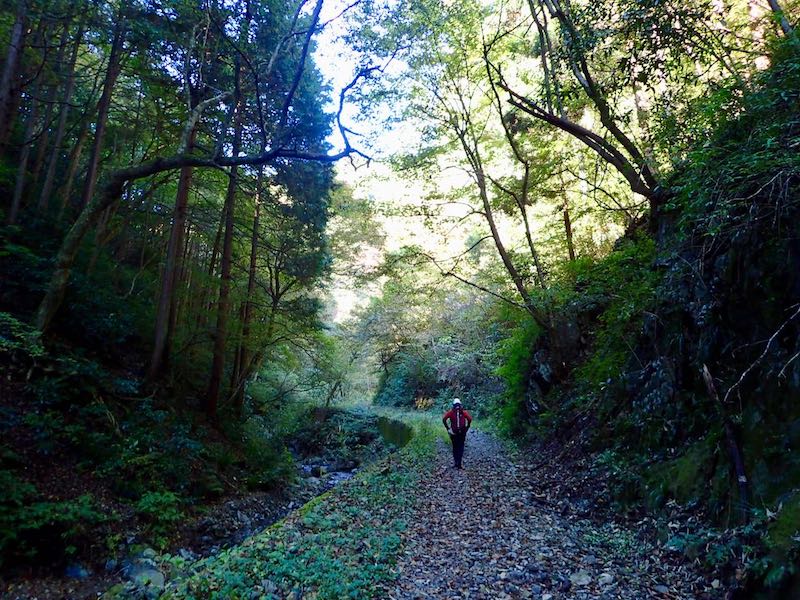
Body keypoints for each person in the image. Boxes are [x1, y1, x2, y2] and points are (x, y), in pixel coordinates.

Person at [442, 398, 472, 469]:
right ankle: (459, 463)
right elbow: (470, 419)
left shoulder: (451, 412)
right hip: (462, 432)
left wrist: (448, 428)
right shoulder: (463, 412)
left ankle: (456, 462)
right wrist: (467, 427)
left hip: (454, 432)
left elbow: (444, 419)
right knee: (461, 447)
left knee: (455, 447)